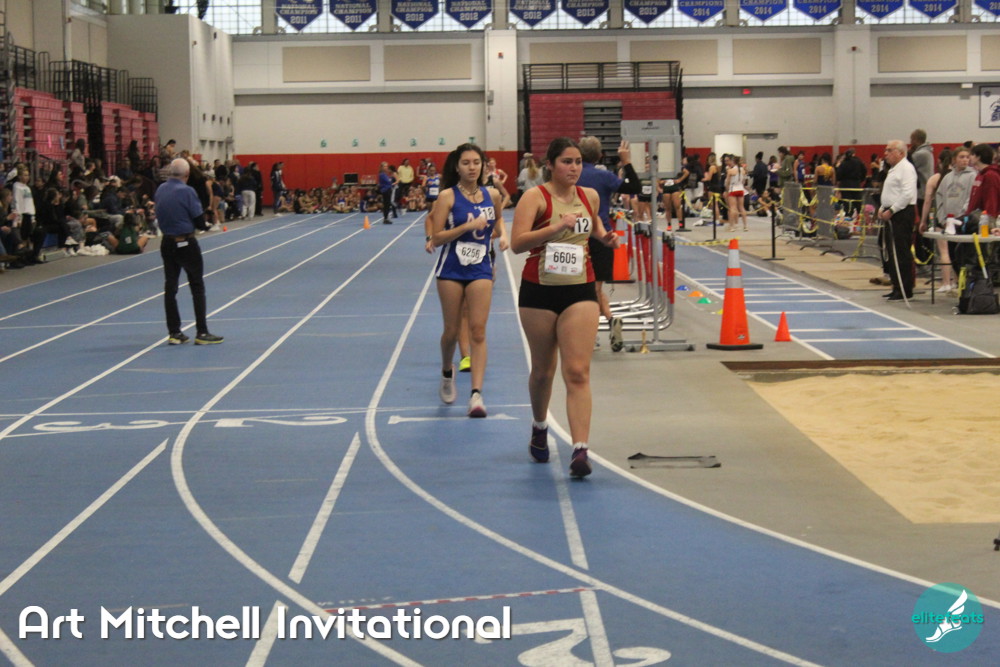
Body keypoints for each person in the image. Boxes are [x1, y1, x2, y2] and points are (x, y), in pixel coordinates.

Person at [510, 137, 619, 478]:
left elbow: (595, 227)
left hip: (580, 290)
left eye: (577, 162)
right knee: (544, 370)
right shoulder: (535, 198)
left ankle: (580, 450)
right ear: (550, 165)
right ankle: (539, 426)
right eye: (566, 162)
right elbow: (516, 244)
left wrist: (605, 237)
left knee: (577, 371)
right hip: (539, 292)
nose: (573, 168)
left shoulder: (590, 196)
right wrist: (556, 226)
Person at [427, 143, 508, 418]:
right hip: (451, 268)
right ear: (457, 167)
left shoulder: (492, 195)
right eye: (466, 163)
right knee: (451, 331)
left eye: (476, 162)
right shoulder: (447, 197)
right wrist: (466, 227)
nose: (472, 167)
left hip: (480, 268)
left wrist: (500, 236)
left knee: (478, 331)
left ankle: (476, 395)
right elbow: (436, 237)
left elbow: (497, 224)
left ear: (483, 165)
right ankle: (447, 371)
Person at [576, 136, 640, 351]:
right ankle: (611, 321)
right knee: (595, 287)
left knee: (587, 289)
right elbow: (634, 187)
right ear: (600, 156)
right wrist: (626, 162)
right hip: (603, 237)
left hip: (577, 236)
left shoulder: (571, 175)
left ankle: (590, 333)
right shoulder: (604, 176)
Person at [154, 158, 223, 346]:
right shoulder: (187, 191)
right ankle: (202, 331)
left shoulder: (161, 189)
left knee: (170, 287)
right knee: (197, 285)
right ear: (187, 174)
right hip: (185, 242)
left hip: (167, 242)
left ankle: (174, 332)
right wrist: (206, 223)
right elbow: (199, 221)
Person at [878, 140, 918, 301]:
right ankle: (896, 285)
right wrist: (882, 207)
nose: (885, 153)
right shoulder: (894, 169)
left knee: (901, 251)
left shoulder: (906, 168)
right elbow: (891, 192)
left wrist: (892, 210)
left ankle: (904, 288)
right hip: (891, 212)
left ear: (900, 153)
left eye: (889, 150)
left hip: (902, 213)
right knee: (891, 251)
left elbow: (907, 194)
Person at [725, 155, 748, 232]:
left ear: (733, 162)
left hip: (733, 189)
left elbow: (727, 182)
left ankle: (732, 226)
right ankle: (745, 226)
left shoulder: (730, 171)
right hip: (741, 189)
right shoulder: (743, 170)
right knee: (741, 207)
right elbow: (744, 181)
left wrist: (727, 189)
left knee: (733, 208)